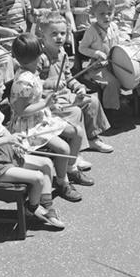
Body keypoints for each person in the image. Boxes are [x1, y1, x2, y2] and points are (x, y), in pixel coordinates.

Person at [0, 60, 65, 228]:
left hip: (8, 157)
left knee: (47, 163)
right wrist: (8, 140)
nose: (5, 87)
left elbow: (0, 129)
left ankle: (46, 206)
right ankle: (32, 208)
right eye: (0, 85)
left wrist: (14, 140)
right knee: (38, 178)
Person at [9, 33, 93, 201]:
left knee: (77, 132)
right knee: (63, 148)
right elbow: (20, 111)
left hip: (39, 117)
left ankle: (70, 169)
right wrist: (45, 103)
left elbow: (35, 100)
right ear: (36, 56)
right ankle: (62, 182)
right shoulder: (24, 81)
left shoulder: (31, 72)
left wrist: (51, 104)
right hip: (28, 126)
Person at [38, 12, 114, 154]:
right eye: (54, 34)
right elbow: (34, 82)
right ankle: (76, 149)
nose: (59, 37)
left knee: (92, 101)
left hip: (66, 95)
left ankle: (92, 138)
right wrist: (51, 83)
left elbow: (68, 77)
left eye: (62, 33)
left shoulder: (62, 54)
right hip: (51, 100)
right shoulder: (41, 57)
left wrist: (79, 86)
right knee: (76, 110)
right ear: (43, 35)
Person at [78, 0, 127, 113]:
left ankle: (119, 99)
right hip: (97, 68)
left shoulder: (113, 26)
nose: (106, 17)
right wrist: (96, 53)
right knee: (112, 82)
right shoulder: (91, 31)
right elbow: (82, 48)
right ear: (94, 13)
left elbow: (118, 41)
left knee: (129, 74)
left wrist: (125, 41)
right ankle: (110, 109)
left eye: (109, 13)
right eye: (102, 14)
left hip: (114, 64)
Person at [70, 0, 105, 72]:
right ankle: (91, 68)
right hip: (84, 28)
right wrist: (83, 10)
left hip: (101, 26)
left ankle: (101, 66)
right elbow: (69, 9)